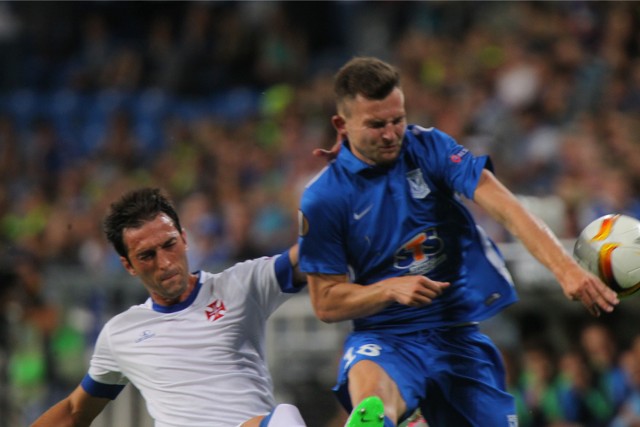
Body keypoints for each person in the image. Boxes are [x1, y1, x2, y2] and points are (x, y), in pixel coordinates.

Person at [297, 56, 620, 427]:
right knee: (372, 409)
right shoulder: (324, 198)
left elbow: (506, 206)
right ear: (342, 124)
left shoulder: (429, 148)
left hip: (456, 334)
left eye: (397, 120)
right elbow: (326, 302)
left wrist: (565, 269)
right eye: (376, 124)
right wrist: (387, 290)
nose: (390, 134)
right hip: (385, 337)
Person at [31, 187, 310, 427]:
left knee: (284, 417)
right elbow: (73, 412)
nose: (164, 263)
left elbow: (308, 254)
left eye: (169, 244)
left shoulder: (240, 285)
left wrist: (339, 183)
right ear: (128, 265)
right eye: (147, 255)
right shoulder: (121, 333)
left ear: (184, 238)